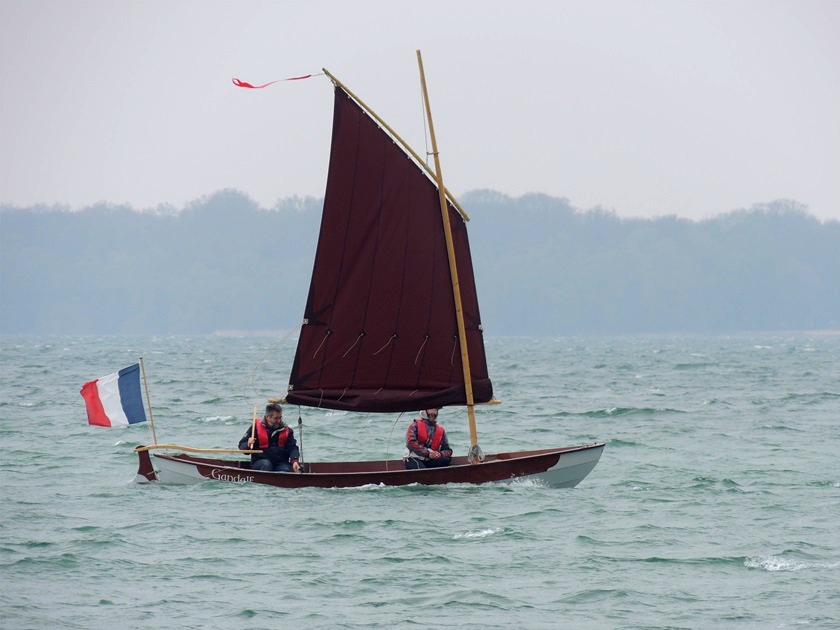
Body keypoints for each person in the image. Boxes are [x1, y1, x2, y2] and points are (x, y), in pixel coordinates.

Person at [239, 403, 302, 473]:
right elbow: (242, 446)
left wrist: (295, 461)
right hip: (260, 462)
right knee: (266, 465)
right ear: (267, 417)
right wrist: (248, 444)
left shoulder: (287, 431)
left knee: (285, 470)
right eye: (276, 418)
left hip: (280, 463)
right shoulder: (255, 428)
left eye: (280, 417)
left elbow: (292, 447)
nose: (279, 420)